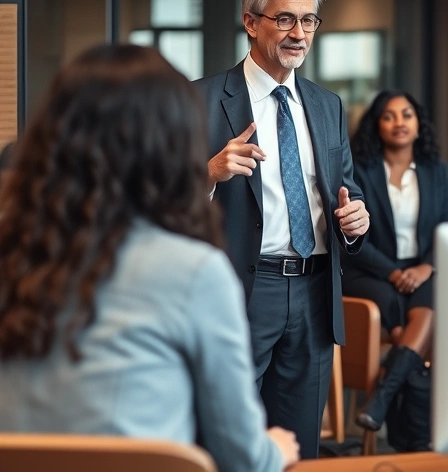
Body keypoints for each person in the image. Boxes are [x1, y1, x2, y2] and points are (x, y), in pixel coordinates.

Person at [0, 44, 299, 472]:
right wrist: (277, 448)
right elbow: (243, 457)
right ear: (173, 145)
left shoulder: (11, 251)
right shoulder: (192, 270)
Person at [195, 0, 370, 460]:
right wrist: (209, 173)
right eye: (286, 20)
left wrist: (356, 220)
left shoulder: (327, 104)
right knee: (228, 442)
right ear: (251, 23)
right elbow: (158, 204)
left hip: (315, 292)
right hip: (241, 291)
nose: (299, 34)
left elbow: (346, 191)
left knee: (299, 448)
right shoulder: (199, 100)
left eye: (309, 21)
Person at [343, 90, 448, 442]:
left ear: (418, 124)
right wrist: (393, 272)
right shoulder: (360, 170)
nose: (399, 123)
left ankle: (381, 398)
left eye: (406, 115)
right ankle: (412, 435)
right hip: (372, 269)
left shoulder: (435, 169)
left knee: (428, 305)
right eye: (389, 116)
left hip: (422, 267)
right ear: (376, 125)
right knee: (399, 308)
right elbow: (354, 238)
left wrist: (427, 268)